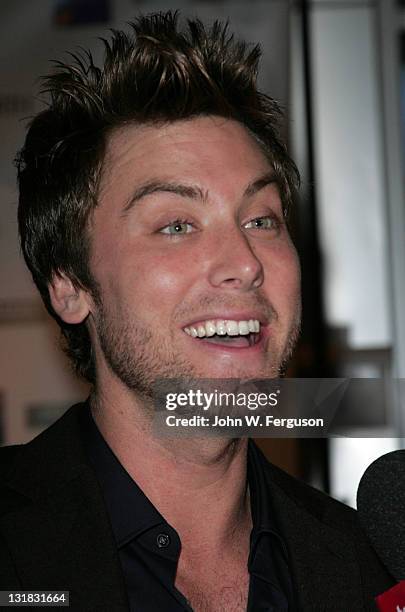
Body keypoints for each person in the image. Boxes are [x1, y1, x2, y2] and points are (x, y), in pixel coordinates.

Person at [0, 11, 393, 611]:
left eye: (261, 219)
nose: (244, 261)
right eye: (176, 225)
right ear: (68, 285)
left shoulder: (366, 566)